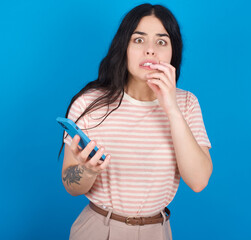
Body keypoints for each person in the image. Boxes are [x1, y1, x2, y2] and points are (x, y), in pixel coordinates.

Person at [59, 3, 212, 240]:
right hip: (98, 229)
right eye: (139, 40)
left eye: (161, 42)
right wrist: (87, 170)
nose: (150, 51)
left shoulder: (187, 104)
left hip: (156, 231)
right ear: (124, 47)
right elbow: (70, 186)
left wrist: (170, 107)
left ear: (173, 52)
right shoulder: (89, 103)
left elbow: (199, 181)